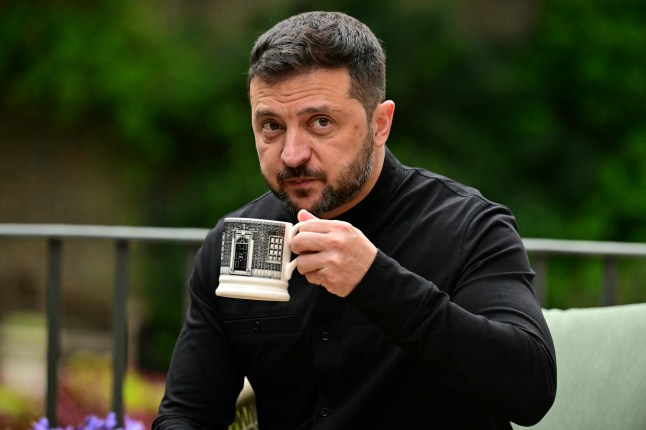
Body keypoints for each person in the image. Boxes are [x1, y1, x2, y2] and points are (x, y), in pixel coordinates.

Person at [153, 11, 556, 430]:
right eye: (271, 126)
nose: (292, 154)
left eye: (320, 123)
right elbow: (187, 414)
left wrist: (375, 281)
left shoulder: (468, 226)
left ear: (380, 124)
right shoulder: (239, 240)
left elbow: (532, 390)